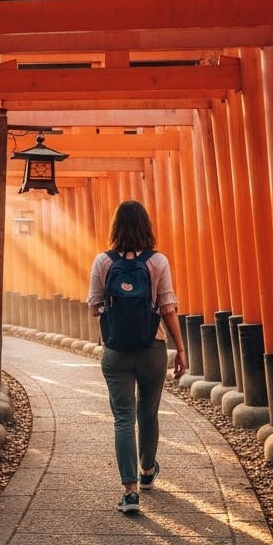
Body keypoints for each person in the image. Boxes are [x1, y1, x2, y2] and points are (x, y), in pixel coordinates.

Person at [87, 200, 187, 514]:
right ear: (147, 225)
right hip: (152, 349)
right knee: (148, 412)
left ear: (115, 227)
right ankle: (146, 472)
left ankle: (130, 492)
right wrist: (180, 349)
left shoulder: (103, 261)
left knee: (123, 418)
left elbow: (93, 306)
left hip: (116, 351)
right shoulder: (158, 262)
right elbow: (168, 309)